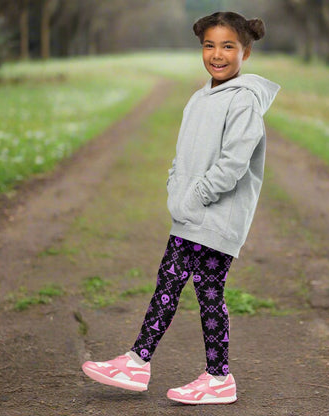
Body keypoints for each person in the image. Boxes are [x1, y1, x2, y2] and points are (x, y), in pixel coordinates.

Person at [82, 11, 280, 405]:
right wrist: (176, 189)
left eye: (228, 46)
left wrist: (194, 197)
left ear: (247, 51)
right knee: (182, 286)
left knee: (196, 290)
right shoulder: (199, 97)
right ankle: (175, 369)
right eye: (210, 45)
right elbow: (182, 156)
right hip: (192, 215)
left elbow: (231, 166)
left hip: (216, 218)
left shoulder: (244, 102)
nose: (217, 54)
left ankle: (164, 365)